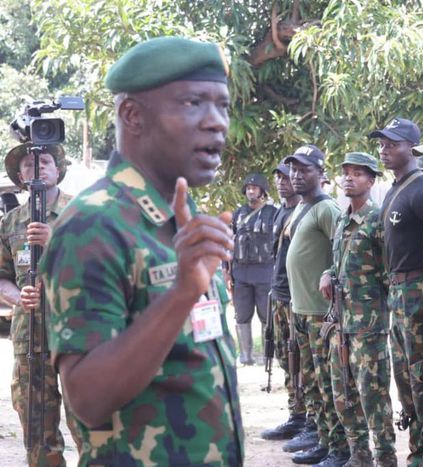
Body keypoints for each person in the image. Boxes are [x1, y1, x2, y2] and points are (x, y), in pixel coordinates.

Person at [39, 36, 244, 465]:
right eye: (193, 103)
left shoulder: (180, 214)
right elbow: (87, 398)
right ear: (132, 115)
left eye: (222, 105)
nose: (216, 122)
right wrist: (181, 293)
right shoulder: (93, 223)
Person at [369, 117, 423, 466]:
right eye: (382, 143)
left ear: (412, 148)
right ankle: (418, 453)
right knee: (405, 382)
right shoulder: (395, 189)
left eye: (392, 143)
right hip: (398, 296)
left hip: (419, 295)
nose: (384, 149)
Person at [0, 143, 82, 466]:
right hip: (29, 339)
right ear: (19, 176)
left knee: (92, 428)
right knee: (37, 432)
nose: (37, 166)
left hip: (79, 337)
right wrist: (17, 296)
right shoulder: (10, 222)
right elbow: (2, 276)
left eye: (45, 160)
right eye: (28, 164)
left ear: (58, 168)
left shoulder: (82, 213)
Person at [319, 152, 397, 467]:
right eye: (346, 172)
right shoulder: (341, 218)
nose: (350, 178)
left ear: (371, 180)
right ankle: (359, 455)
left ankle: (386, 458)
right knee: (343, 396)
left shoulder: (378, 219)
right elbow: (339, 263)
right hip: (340, 323)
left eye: (358, 173)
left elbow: (389, 270)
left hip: (369, 326)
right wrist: (328, 273)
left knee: (374, 398)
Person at [283, 144, 348, 466]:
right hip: (300, 309)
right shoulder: (301, 207)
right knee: (310, 380)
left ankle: (339, 448)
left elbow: (345, 249)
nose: (296, 175)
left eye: (305, 169)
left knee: (327, 383)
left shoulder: (327, 209)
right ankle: (322, 439)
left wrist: (330, 275)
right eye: (294, 169)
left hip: (320, 313)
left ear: (321, 174)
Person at [261, 160, 308, 442]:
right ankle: (296, 414)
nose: (282, 181)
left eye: (286, 176)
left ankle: (308, 419)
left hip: (297, 297)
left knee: (300, 359)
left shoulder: (305, 210)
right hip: (277, 293)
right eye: (277, 176)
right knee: (284, 357)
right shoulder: (282, 211)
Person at [230, 172, 277, 365]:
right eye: (248, 188)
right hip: (241, 272)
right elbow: (230, 242)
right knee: (242, 315)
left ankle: (268, 355)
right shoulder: (238, 214)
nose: (251, 191)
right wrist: (228, 270)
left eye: (254, 188)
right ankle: (246, 356)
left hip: (265, 271)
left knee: (267, 315)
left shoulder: (272, 213)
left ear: (262, 191)